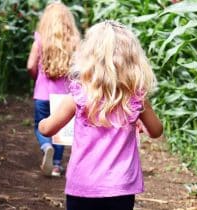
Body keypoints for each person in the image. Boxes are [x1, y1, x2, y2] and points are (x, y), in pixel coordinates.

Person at [39, 20, 163, 210]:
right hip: (121, 187)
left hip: (83, 184)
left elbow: (47, 129)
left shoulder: (78, 96)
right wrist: (140, 121)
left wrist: (41, 124)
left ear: (89, 57)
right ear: (132, 59)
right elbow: (156, 131)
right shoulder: (136, 100)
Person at [26, 1, 80, 177]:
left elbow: (30, 66)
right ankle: (57, 166)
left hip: (42, 94)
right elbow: (80, 69)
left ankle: (45, 146)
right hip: (65, 96)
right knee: (60, 130)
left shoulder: (40, 40)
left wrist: (38, 79)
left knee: (39, 125)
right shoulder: (74, 42)